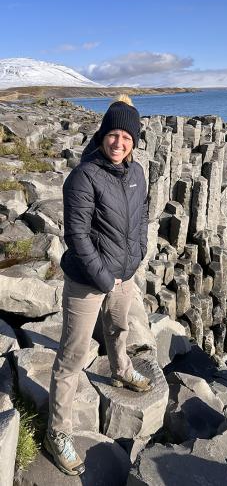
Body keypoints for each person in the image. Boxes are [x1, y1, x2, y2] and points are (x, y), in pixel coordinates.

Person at [44, 95, 152, 476]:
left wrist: (137, 255)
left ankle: (120, 367)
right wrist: (104, 278)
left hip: (124, 273)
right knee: (72, 357)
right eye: (113, 134)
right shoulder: (84, 176)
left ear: (134, 141)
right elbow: (76, 235)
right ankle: (57, 431)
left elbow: (142, 218)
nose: (118, 142)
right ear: (103, 134)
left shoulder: (137, 173)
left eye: (126, 136)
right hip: (87, 280)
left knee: (119, 328)